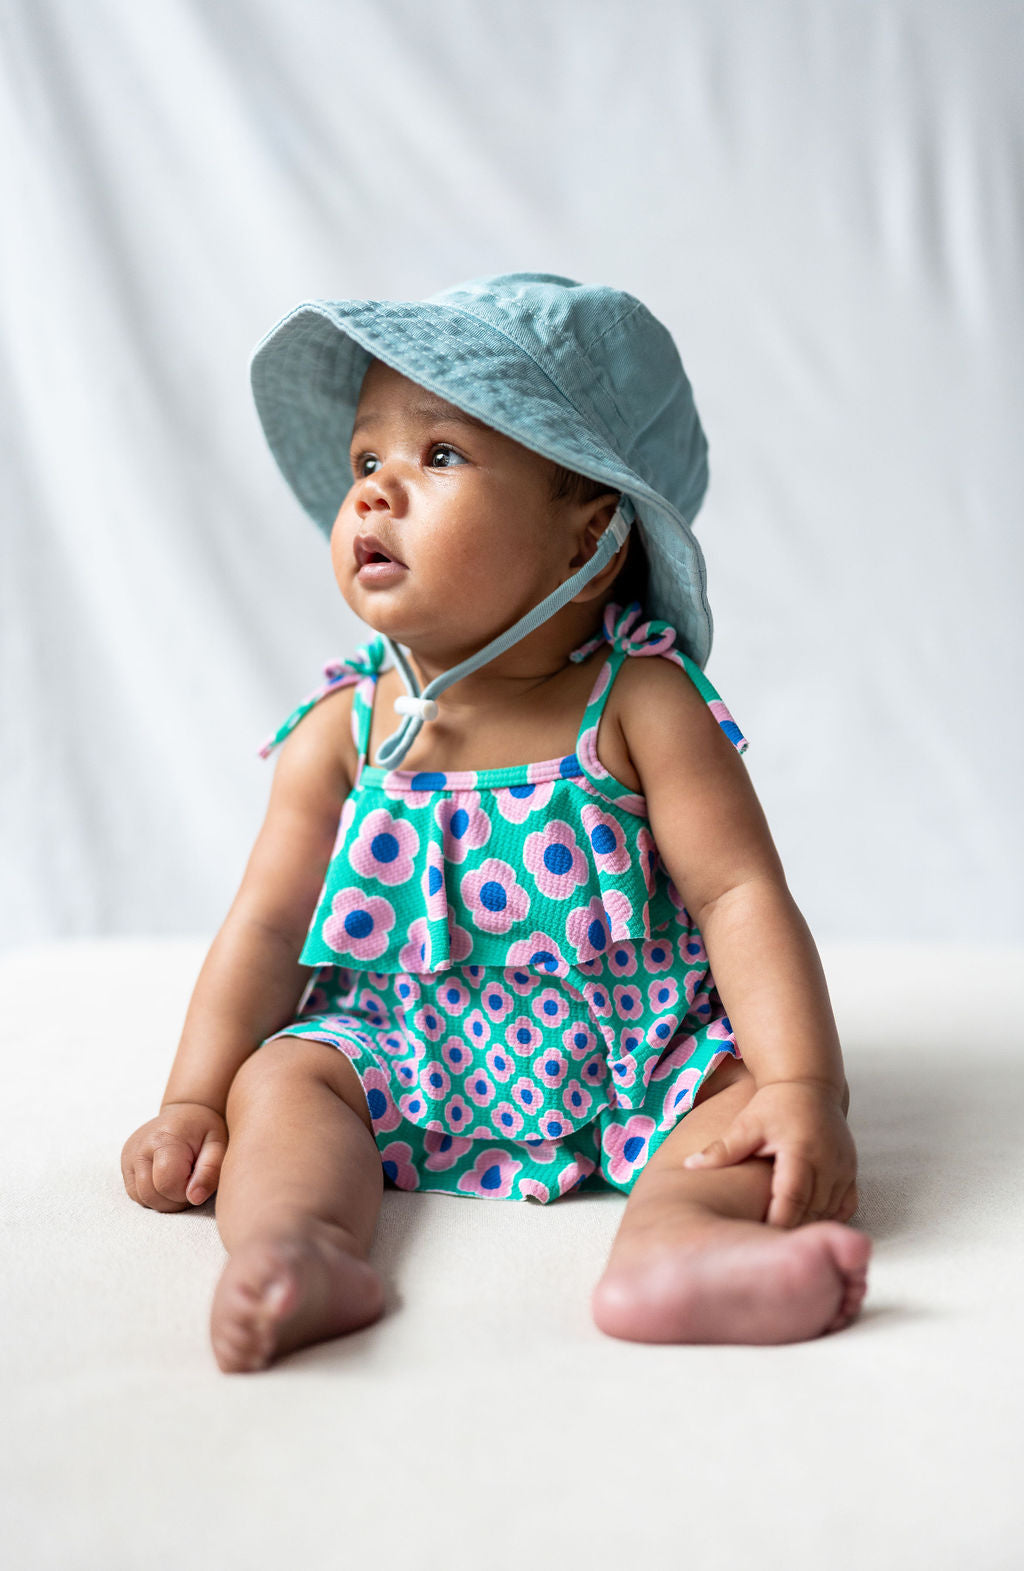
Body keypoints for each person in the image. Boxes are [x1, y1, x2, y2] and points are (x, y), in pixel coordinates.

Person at [120, 273, 871, 1374]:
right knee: (282, 1083)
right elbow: (267, 927)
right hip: (397, 1052)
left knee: (742, 1098)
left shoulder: (640, 704)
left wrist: (804, 1083)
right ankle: (297, 1246)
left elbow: (738, 895)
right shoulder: (345, 724)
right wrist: (193, 1097)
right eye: (365, 461)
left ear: (588, 541)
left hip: (636, 1051)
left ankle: (674, 1249)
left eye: (438, 456)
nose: (375, 494)